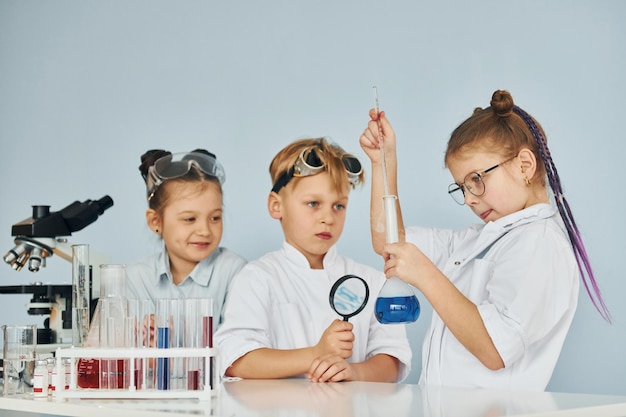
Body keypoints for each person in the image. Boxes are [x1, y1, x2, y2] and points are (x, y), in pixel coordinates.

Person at [359, 90, 611, 391]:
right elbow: (390, 242)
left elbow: (494, 349)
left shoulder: (540, 244)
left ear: (524, 166)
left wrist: (425, 274)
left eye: (476, 179)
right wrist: (382, 163)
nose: (468, 199)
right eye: (461, 188)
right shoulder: (481, 240)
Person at [215, 137, 412, 383]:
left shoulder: (371, 280)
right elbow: (236, 359)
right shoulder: (258, 277)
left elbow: (392, 359)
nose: (328, 217)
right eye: (313, 204)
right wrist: (315, 354)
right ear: (276, 206)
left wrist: (354, 372)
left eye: (339, 206)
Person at [126, 149, 247, 328]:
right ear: (155, 221)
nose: (205, 230)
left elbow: (237, 346)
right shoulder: (136, 278)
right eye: (189, 219)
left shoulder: (235, 272)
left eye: (215, 218)